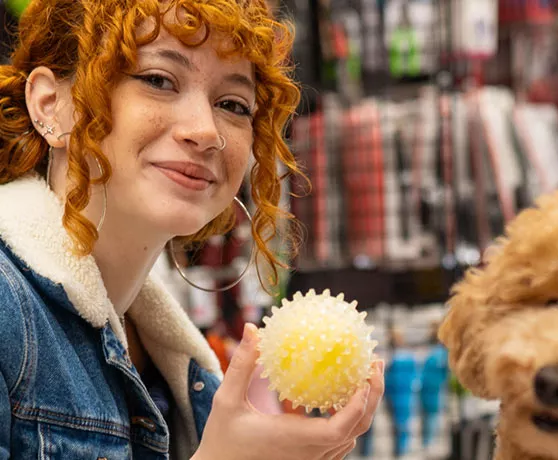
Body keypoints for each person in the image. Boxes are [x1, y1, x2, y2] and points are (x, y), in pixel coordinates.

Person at [0, 1, 385, 459]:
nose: (206, 131)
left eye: (232, 104)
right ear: (52, 104)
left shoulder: (172, 357)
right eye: (158, 80)